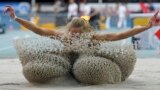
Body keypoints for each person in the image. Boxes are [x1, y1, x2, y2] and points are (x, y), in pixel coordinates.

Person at [4, 6, 160, 42]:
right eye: (73, 33)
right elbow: (38, 29)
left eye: (79, 34)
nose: (75, 36)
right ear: (69, 29)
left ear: (85, 31)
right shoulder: (62, 35)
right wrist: (15, 17)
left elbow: (121, 34)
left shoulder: (92, 39)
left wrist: (147, 27)